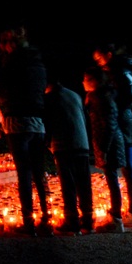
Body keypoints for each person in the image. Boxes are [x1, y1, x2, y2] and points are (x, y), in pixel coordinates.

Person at [0, 25, 51, 236]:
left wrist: (4, 109)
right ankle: (46, 217)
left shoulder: (10, 64)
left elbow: (3, 90)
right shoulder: (37, 64)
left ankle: (28, 220)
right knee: (38, 171)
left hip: (16, 122)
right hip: (37, 121)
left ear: (11, 44)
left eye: (4, 44)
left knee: (24, 173)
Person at [94, 43, 132, 227]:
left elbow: (126, 99)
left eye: (99, 59)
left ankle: (126, 214)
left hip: (121, 122)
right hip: (123, 121)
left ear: (108, 55)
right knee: (126, 169)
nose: (98, 63)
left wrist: (109, 107)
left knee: (123, 169)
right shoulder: (119, 71)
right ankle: (131, 213)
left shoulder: (117, 73)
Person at [44, 70, 94, 235]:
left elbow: (49, 122)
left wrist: (47, 144)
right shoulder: (74, 95)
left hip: (63, 145)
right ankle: (88, 220)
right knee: (84, 183)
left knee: (69, 185)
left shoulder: (50, 98)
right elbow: (85, 119)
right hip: (82, 142)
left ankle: (72, 221)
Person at [83, 65, 125, 233]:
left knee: (112, 180)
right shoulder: (97, 97)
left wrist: (104, 149)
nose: (83, 82)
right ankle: (115, 217)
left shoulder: (102, 98)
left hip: (110, 145)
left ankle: (116, 220)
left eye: (86, 79)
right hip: (109, 144)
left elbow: (108, 125)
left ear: (94, 81)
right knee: (111, 179)